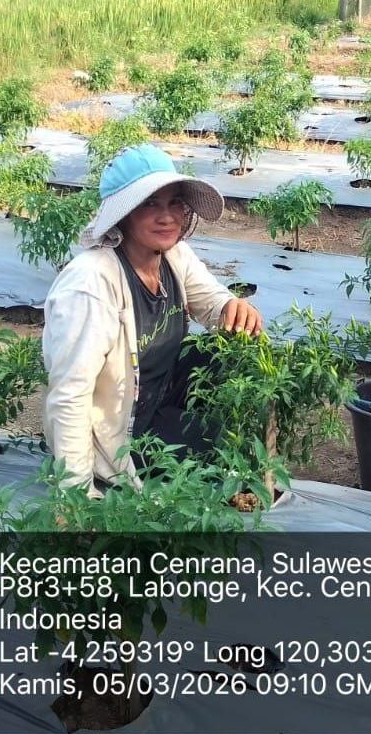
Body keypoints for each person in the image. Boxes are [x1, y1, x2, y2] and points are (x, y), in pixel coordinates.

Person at [42, 144, 262, 497]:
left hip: (158, 398)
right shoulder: (91, 284)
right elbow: (70, 394)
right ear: (123, 213)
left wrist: (233, 307)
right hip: (120, 432)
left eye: (175, 203)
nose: (167, 217)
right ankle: (129, 473)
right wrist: (76, 493)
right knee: (209, 462)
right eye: (150, 204)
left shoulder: (173, 257)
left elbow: (213, 301)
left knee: (222, 356)